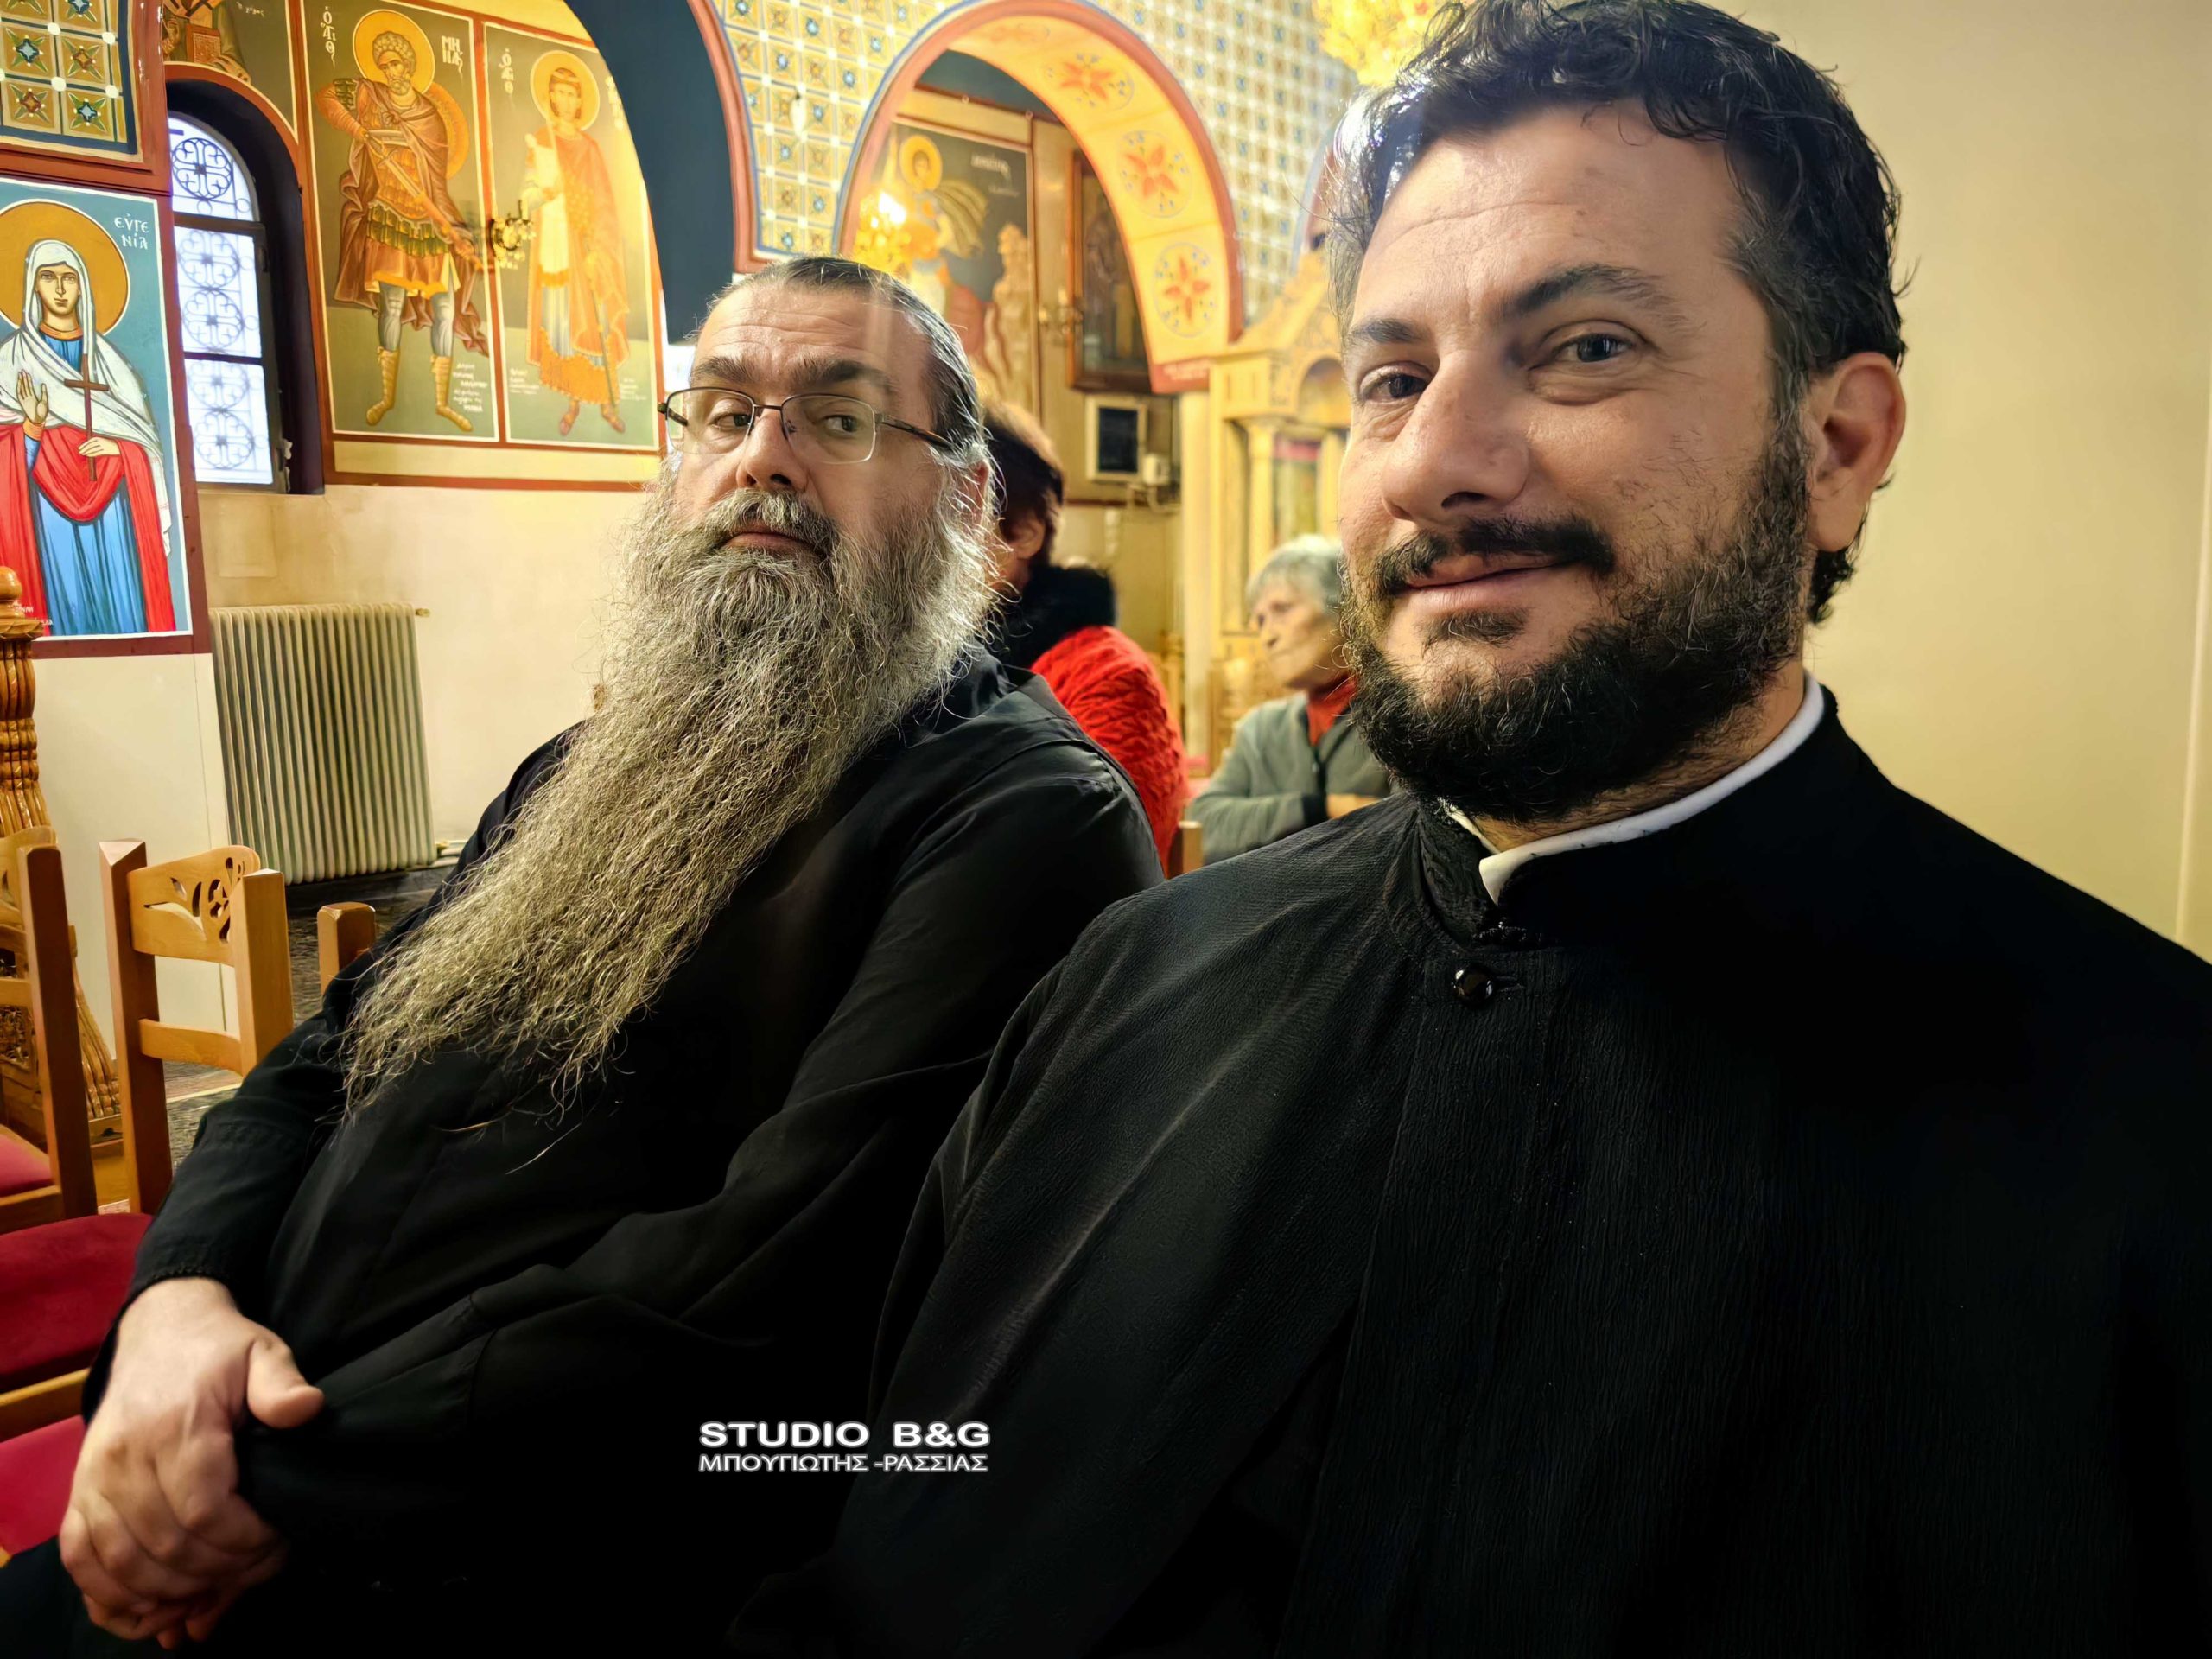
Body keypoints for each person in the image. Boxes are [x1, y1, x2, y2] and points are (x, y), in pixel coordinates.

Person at [737, 4, 2212, 1655]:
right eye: (1392, 378)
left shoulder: (2159, 1128)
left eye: (1583, 347)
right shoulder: (1130, 986)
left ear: (1836, 444)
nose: (1435, 458)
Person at [0, 256, 1158, 1655]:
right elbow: (322, 1060)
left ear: (966, 501)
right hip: (260, 1451)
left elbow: (772, 1284)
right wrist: (176, 1305)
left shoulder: (1025, 817)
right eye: (720, 414)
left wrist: (258, 1482)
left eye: (839, 418)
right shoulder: (587, 766)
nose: (762, 459)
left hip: (514, 1547)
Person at [983, 402, 1184, 865]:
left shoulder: (1107, 672)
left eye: (953, 515)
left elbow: (1102, 854)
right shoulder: (926, 664)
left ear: (1023, 533)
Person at [0, 239, 177, 635]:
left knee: (121, 601)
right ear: (33, 285)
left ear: (82, 286)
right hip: (47, 509)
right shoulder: (11, 360)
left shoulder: (111, 365)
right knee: (64, 598)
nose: (60, 288)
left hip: (114, 506)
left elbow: (146, 444)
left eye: (69, 278)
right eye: (49, 277)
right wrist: (31, 428)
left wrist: (120, 448)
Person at [316, 24, 487, 431]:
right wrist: (360, 131)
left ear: (410, 65)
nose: (391, 71)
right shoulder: (369, 95)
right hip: (389, 215)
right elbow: (325, 97)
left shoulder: (430, 117)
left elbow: (437, 181)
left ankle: (443, 402)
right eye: (384, 65)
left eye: (396, 63)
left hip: (427, 220)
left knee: (445, 306)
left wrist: (454, 229)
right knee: (390, 305)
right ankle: (387, 397)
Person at [1186, 537, 1389, 860]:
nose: (1267, 635)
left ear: (1345, 608)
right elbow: (1204, 824)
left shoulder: (1400, 715)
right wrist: (1318, 809)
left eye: (1281, 610)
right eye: (1260, 621)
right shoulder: (1260, 728)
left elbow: (1416, 834)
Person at [519, 54, 630, 436]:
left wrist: (600, 247)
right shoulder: (542, 141)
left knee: (597, 322)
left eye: (571, 94)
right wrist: (544, 193)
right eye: (560, 93)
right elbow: (527, 195)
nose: (565, 100)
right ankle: (572, 402)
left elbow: (605, 203)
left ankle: (608, 402)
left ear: (580, 100)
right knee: (565, 324)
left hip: (591, 248)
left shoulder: (590, 147)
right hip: (558, 247)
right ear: (551, 97)